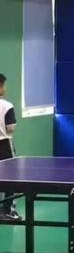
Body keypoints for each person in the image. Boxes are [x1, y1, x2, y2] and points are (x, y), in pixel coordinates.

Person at [0, 74, 21, 221]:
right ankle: (8, 211)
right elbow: (11, 127)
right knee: (10, 178)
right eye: (3, 85)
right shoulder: (7, 106)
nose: (5, 88)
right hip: (4, 146)